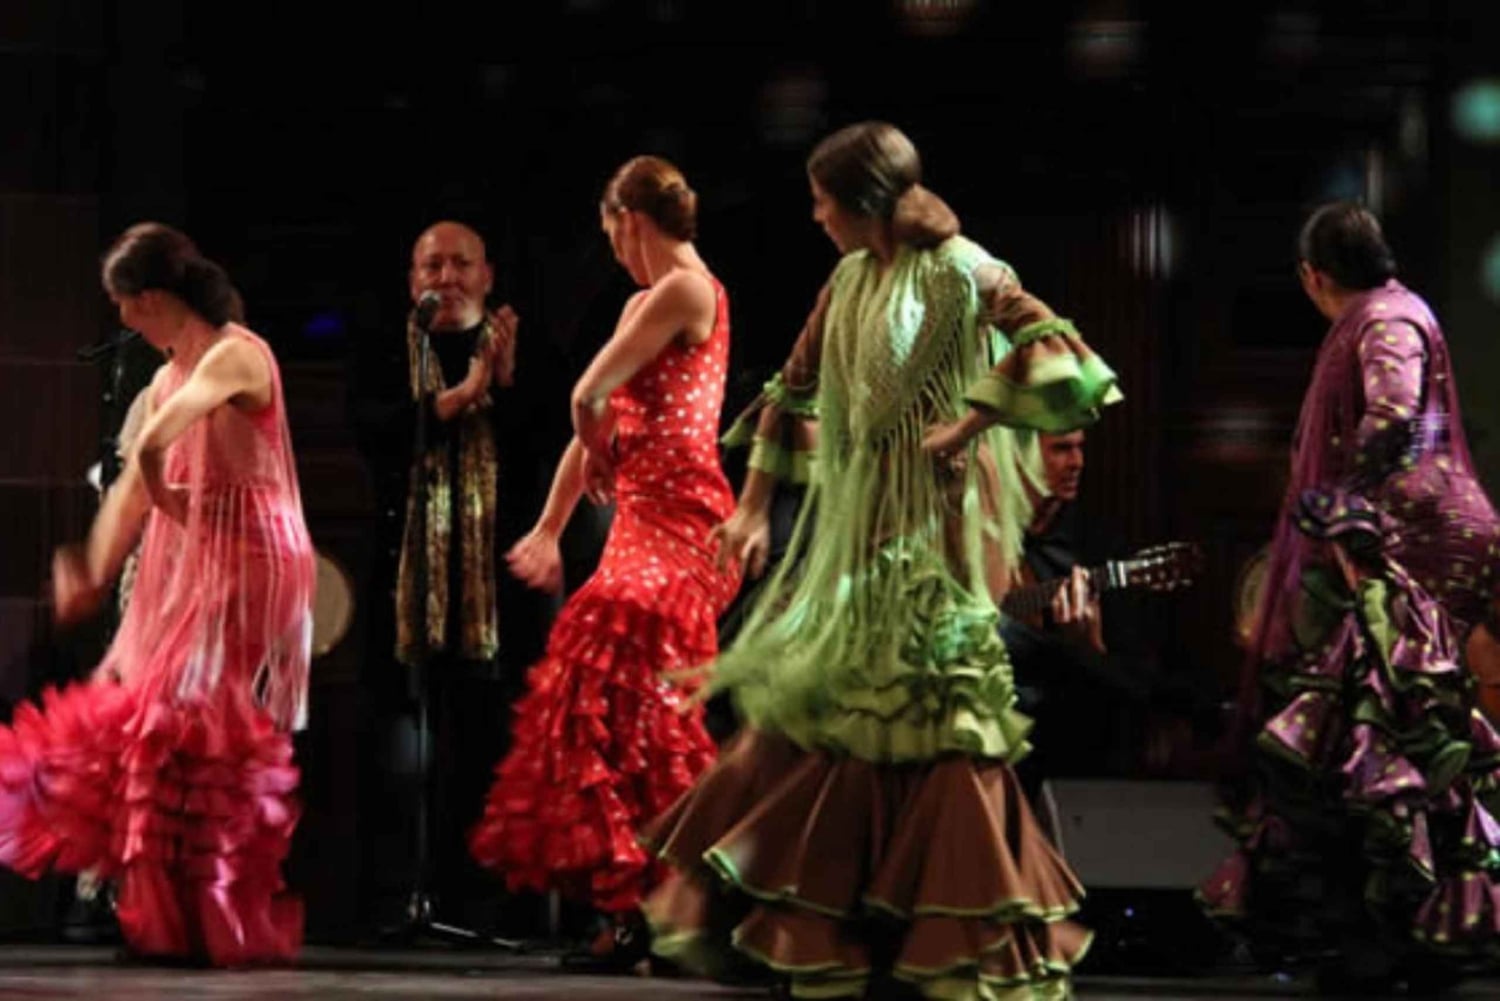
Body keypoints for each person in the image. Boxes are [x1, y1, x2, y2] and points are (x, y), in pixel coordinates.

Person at [640, 121, 1121, 1000]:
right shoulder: (849, 278)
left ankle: (932, 934)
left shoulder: (966, 268)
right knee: (830, 721)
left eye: (823, 200)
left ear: (862, 201)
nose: (815, 215)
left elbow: (1055, 346)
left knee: (935, 731)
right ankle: (835, 926)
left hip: (935, 541)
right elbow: (790, 388)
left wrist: (970, 423)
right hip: (854, 544)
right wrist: (751, 507)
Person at [1199, 202, 1500, 994]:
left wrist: (1341, 501)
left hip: (1410, 535)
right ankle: (1416, 926)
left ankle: (1391, 933)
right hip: (1425, 525)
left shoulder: (1383, 320)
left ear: (1313, 276)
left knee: (1379, 717)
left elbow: (1395, 411)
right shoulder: (1401, 307)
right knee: (1394, 722)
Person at [0, 222, 314, 965]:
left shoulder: (237, 352)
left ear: (151, 298)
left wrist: (148, 445)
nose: (119, 320)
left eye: (123, 304)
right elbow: (134, 494)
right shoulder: (160, 380)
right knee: (162, 728)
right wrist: (95, 566)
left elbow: (180, 420)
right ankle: (174, 921)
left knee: (193, 722)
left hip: (251, 557)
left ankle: (212, 914)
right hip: (194, 561)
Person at [467, 156, 741, 968]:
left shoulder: (687, 289)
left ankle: (693, 900)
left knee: (636, 688)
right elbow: (600, 418)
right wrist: (551, 528)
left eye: (612, 233)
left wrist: (602, 456)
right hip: (639, 530)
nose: (614, 250)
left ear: (630, 218)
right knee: (614, 708)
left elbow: (586, 400)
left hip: (685, 527)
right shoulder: (644, 302)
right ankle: (641, 909)